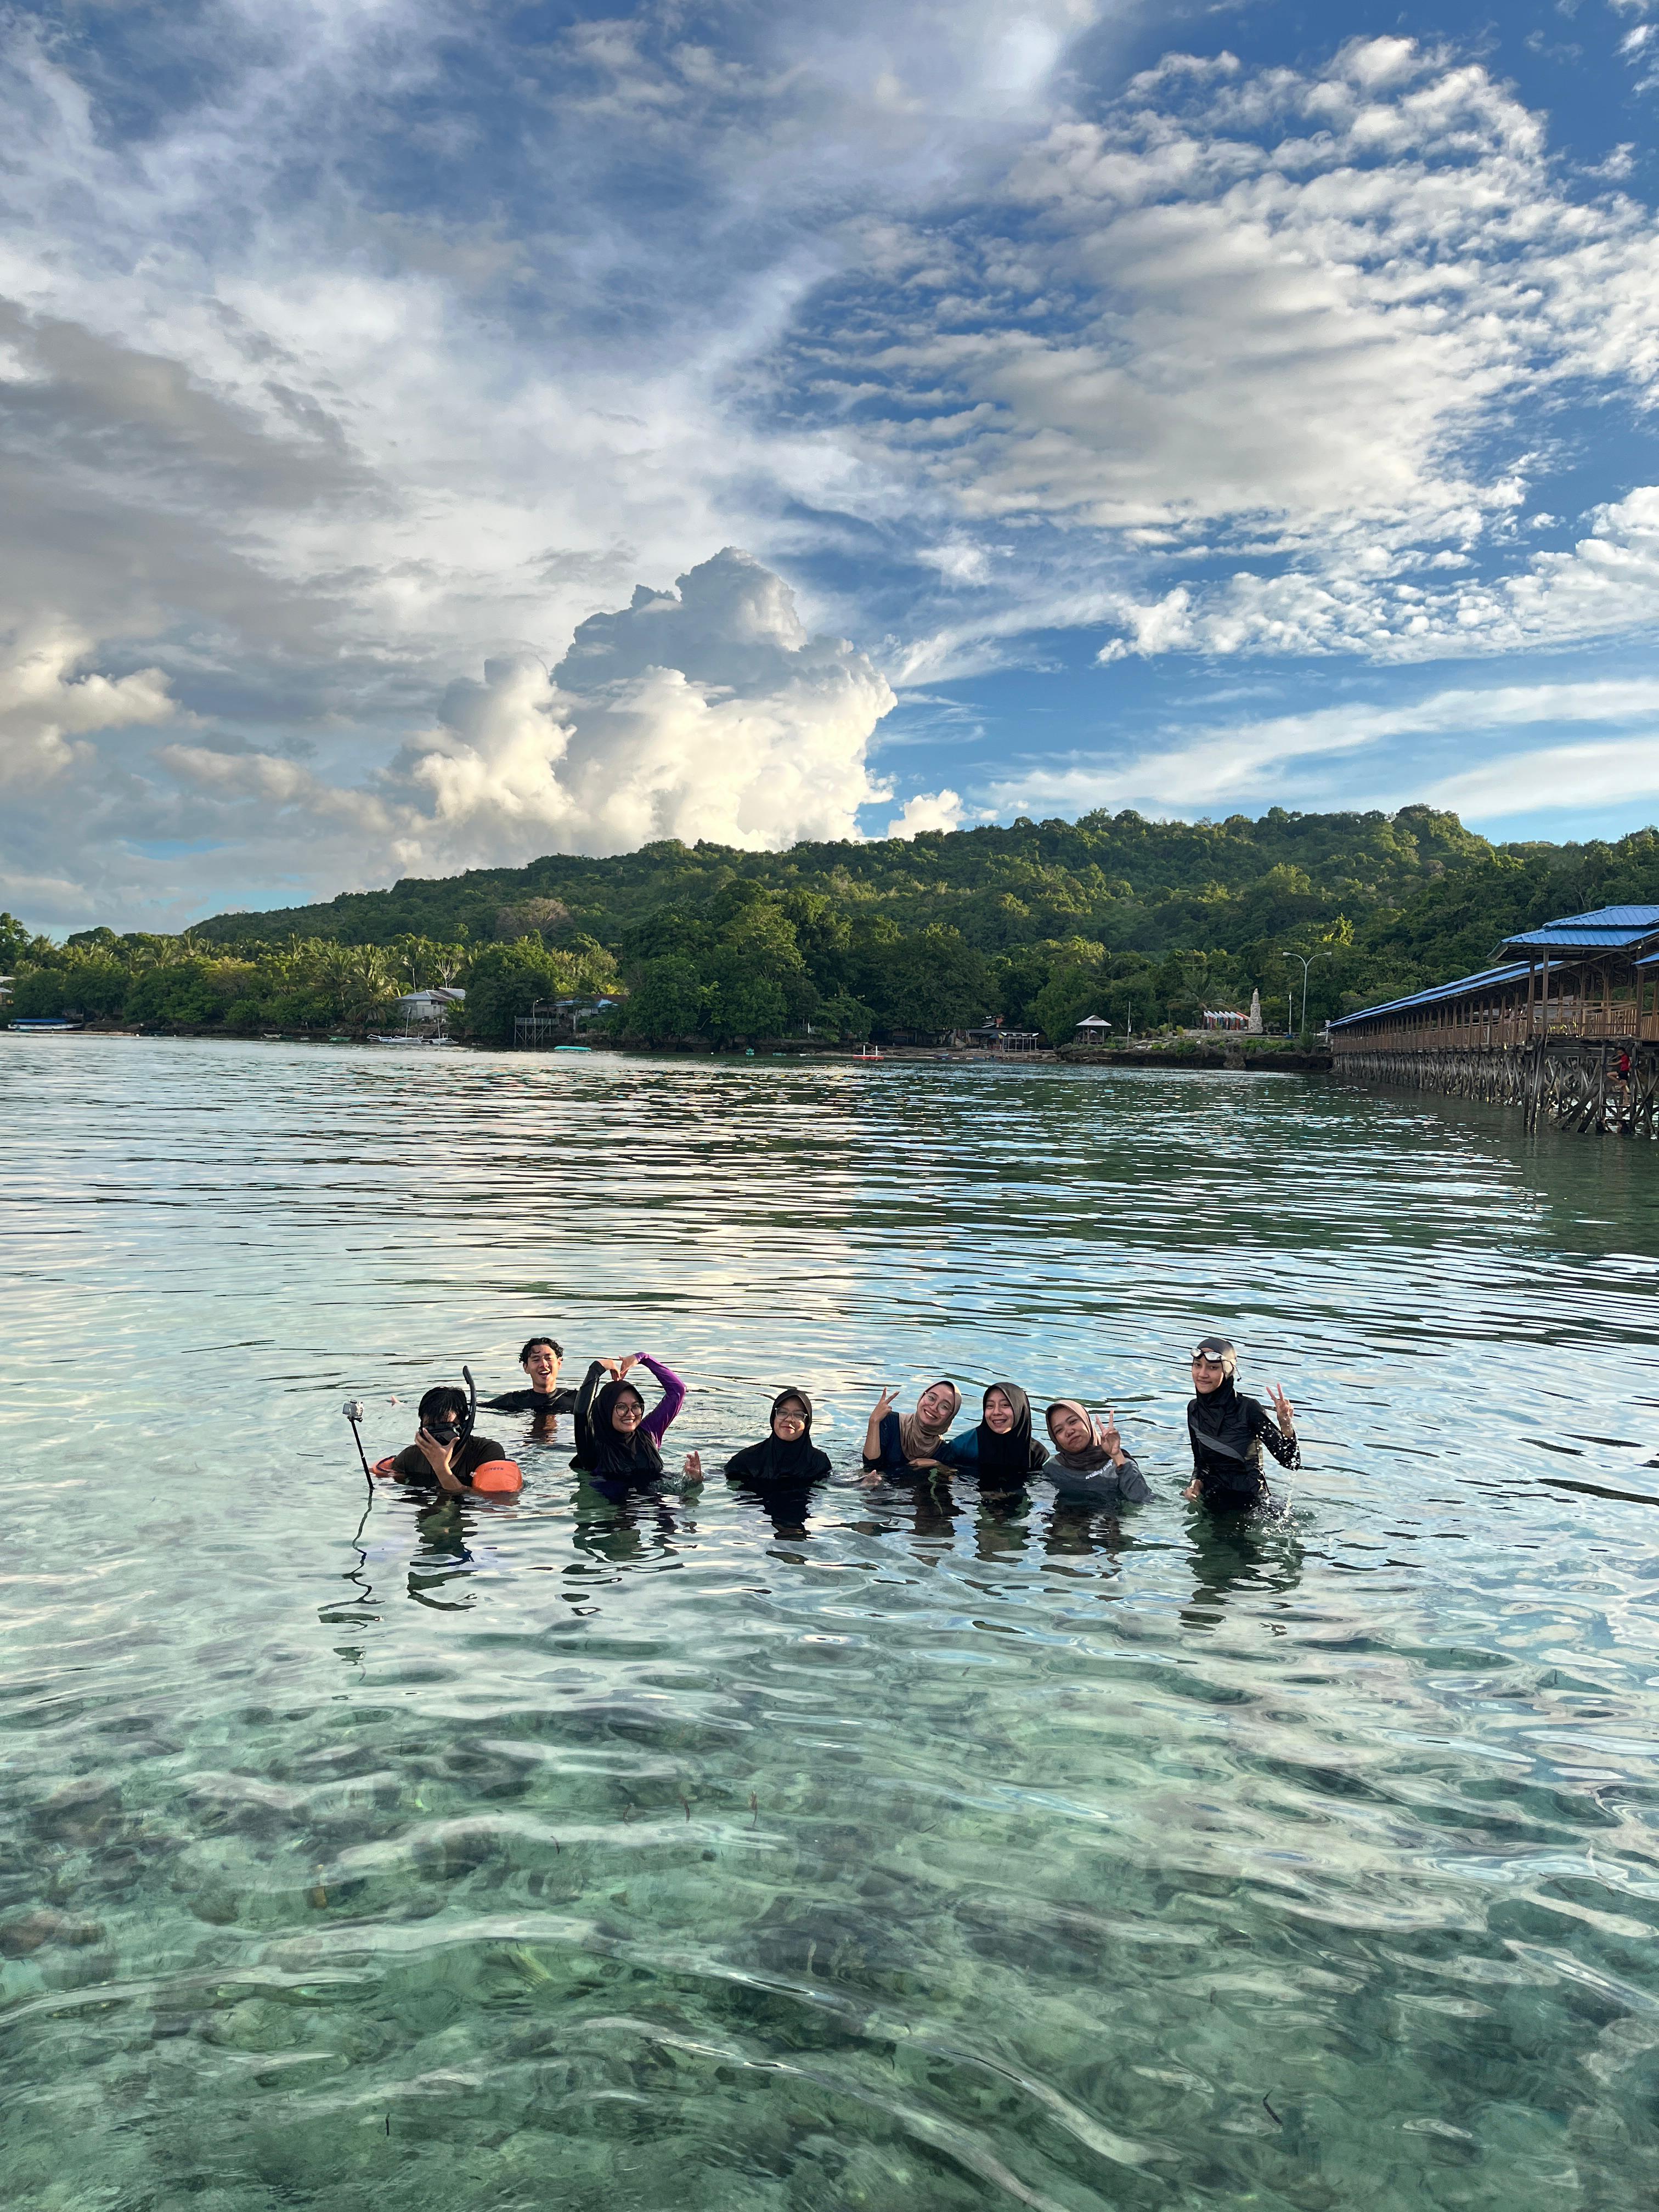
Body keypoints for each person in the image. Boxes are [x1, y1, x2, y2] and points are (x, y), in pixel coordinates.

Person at [1183, 1336, 1299, 1510]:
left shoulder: (1248, 1409)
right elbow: (1200, 1464)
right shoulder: (1194, 1409)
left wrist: (1286, 1427)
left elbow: (1291, 1462)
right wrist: (1195, 1483)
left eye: (1213, 1368)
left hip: (1253, 1505)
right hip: (1214, 1502)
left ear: (1228, 1371)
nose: (1202, 1374)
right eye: (1197, 1365)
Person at [573, 1352, 699, 1492]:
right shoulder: (593, 1446)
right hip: (614, 1511)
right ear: (606, 1410)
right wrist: (598, 1368)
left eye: (636, 1406)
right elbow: (581, 1412)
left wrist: (644, 1358)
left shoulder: (649, 1433)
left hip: (657, 1506)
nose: (631, 1414)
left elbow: (678, 1391)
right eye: (621, 1407)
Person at [386, 1385, 510, 1497]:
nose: (437, 1436)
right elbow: (387, 1484)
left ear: (463, 1427)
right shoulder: (411, 1456)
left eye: (445, 1427)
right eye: (431, 1427)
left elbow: (497, 1501)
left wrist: (441, 1468)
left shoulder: (487, 1452)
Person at [916, 1383, 1048, 1487]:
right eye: (990, 1406)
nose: (996, 1412)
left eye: (1005, 1405)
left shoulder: (1037, 1453)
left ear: (1020, 1409)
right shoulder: (966, 1445)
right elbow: (944, 1473)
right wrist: (938, 1464)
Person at [1043, 1400, 1152, 1506]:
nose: (1069, 1432)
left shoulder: (1119, 1463)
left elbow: (1141, 1501)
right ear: (1055, 1439)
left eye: (1073, 1422)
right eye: (1059, 1430)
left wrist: (1117, 1455)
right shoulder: (1053, 1469)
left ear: (1087, 1422)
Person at [724, 1390, 832, 1486]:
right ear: (773, 1418)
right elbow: (719, 1477)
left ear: (807, 1423)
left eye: (799, 1415)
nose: (790, 1419)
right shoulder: (747, 1460)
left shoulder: (819, 1463)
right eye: (782, 1412)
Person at [861, 1379, 961, 1477]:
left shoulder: (944, 1452)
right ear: (922, 1397)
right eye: (931, 1398)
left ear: (950, 1417)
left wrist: (936, 1464)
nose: (934, 1407)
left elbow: (952, 1478)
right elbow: (870, 1468)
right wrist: (874, 1421)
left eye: (944, 1407)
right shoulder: (889, 1422)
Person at [486, 1336, 577, 1419]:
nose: (543, 1364)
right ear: (526, 1368)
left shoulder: (579, 1399)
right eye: (536, 1360)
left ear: (559, 1364)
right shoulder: (513, 1401)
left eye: (549, 1359)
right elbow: (476, 1408)